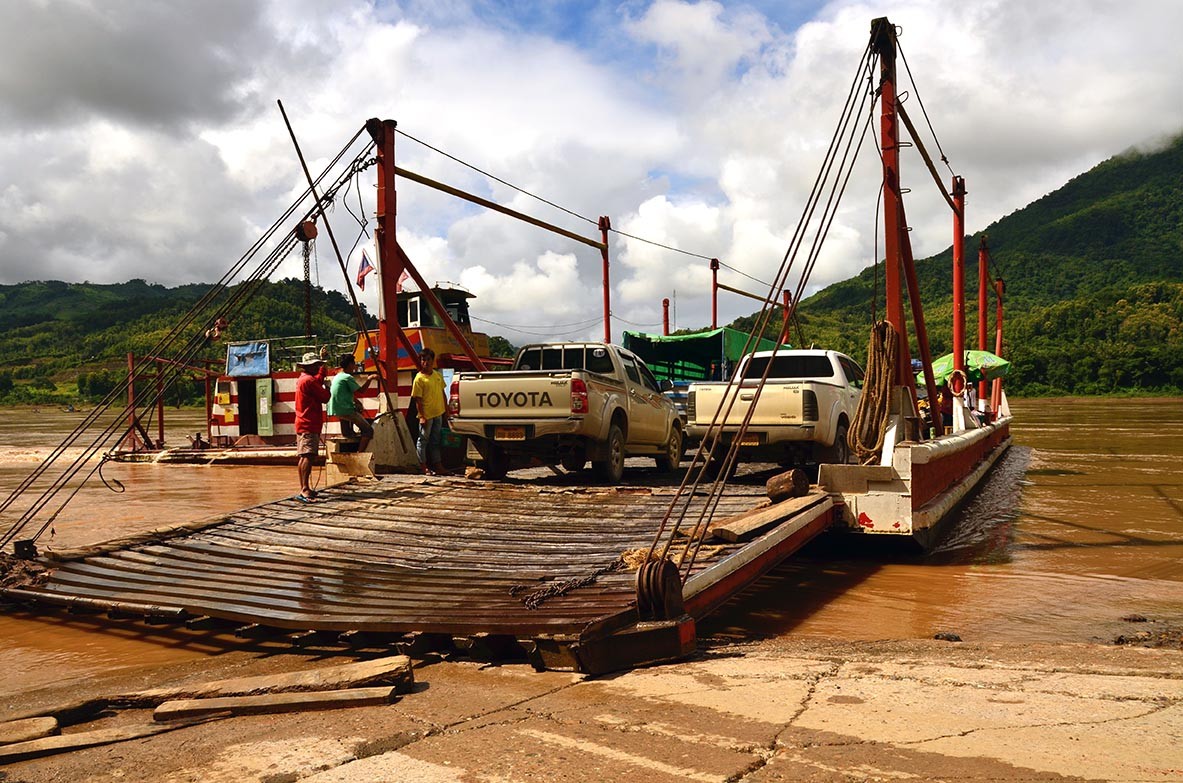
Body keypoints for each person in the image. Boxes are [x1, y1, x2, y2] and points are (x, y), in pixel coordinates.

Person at [294, 352, 331, 502]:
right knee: (307, 457)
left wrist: (323, 368)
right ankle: (304, 490)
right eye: (316, 365)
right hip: (309, 423)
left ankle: (305, 487)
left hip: (304, 422)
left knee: (305, 456)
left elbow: (318, 380)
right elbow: (325, 397)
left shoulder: (305, 379)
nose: (318, 367)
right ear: (309, 367)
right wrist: (328, 388)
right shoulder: (309, 381)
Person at [411, 348, 449, 475]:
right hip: (427, 415)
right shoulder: (419, 379)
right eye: (423, 360)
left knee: (435, 441)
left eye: (428, 360)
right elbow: (418, 400)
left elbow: (443, 393)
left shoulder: (437, 375)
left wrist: (446, 411)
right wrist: (422, 416)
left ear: (432, 361)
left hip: (438, 413)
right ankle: (423, 466)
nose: (425, 362)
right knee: (423, 440)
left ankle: (438, 466)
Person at [328, 354, 375, 452]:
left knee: (347, 434)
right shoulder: (347, 377)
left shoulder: (338, 376)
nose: (355, 367)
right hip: (346, 410)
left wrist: (357, 402)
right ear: (350, 364)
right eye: (354, 364)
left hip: (335, 409)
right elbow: (361, 391)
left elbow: (345, 393)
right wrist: (370, 379)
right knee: (368, 431)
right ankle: (360, 453)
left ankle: (349, 434)